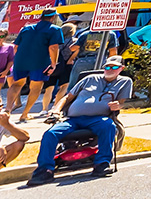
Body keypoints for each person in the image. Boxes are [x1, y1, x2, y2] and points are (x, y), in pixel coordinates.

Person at [26, 56, 133, 184]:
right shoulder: (90, 79)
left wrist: (118, 105)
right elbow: (67, 97)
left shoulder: (125, 82)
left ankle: (102, 164)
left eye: (114, 67)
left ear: (121, 68)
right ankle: (44, 171)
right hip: (73, 119)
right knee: (51, 133)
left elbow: (122, 102)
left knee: (108, 126)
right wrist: (56, 110)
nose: (110, 69)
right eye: (107, 67)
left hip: (98, 119)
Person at [11, 9, 62, 118]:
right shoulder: (55, 29)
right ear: (53, 17)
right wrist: (53, 63)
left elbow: (16, 47)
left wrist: (17, 59)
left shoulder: (26, 28)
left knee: (16, 84)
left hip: (21, 60)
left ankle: (7, 109)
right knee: (36, 87)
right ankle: (24, 114)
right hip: (40, 61)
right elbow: (53, 47)